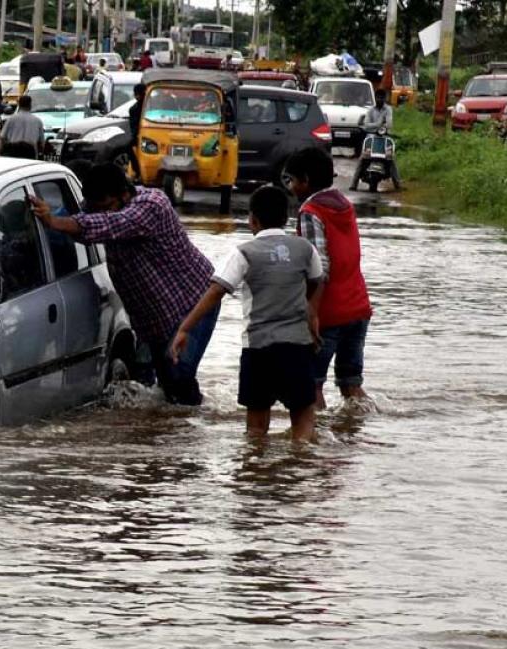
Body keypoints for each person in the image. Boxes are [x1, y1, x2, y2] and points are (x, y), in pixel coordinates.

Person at [29, 163, 217, 405]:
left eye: (105, 207)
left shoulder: (152, 205)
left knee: (179, 379)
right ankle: (168, 436)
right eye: (95, 207)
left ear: (124, 194)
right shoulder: (101, 206)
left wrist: (54, 221)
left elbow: (109, 224)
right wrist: (47, 219)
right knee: (160, 390)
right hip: (154, 319)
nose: (100, 212)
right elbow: (78, 219)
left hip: (195, 304)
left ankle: (192, 431)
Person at [171, 186, 324, 441]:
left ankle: (253, 476)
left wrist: (184, 328)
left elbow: (215, 291)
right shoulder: (306, 250)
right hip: (297, 347)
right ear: (286, 217)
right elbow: (317, 282)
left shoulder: (243, 252)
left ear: (252, 219)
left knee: (255, 429)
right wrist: (312, 315)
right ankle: (300, 472)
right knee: (304, 422)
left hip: (258, 349)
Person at [285, 147, 374, 409]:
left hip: (328, 313)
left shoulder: (311, 211)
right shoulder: (344, 204)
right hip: (358, 309)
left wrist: (311, 313)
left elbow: (319, 266)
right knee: (351, 386)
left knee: (311, 386)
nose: (290, 187)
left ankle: (315, 446)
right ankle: (354, 438)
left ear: (306, 180)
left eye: (291, 180)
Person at [352, 88, 401, 190]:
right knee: (363, 158)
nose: (380, 99)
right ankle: (353, 184)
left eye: (382, 98)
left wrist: (377, 126)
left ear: (385, 98)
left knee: (391, 158)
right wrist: (378, 124)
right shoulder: (370, 110)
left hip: (384, 137)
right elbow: (366, 125)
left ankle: (398, 184)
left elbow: (389, 123)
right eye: (378, 97)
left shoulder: (388, 109)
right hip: (371, 137)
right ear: (375, 98)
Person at [0, 94, 45, 158]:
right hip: (30, 155)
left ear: (19, 105)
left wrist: (2, 152)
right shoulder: (37, 121)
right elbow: (42, 143)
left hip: (13, 154)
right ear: (30, 105)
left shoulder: (11, 119)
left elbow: (2, 138)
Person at [125, 82, 145, 177]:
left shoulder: (149, 106)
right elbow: (133, 126)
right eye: (136, 94)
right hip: (138, 135)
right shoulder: (134, 109)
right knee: (128, 146)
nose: (137, 96)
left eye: (138, 94)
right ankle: (137, 171)